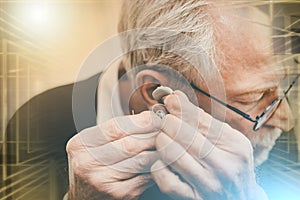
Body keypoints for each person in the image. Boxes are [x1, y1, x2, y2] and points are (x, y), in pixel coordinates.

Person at [5, 0, 296, 199]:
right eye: (255, 98)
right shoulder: (36, 128)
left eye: (284, 86)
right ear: (158, 92)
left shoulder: (280, 150)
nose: (286, 120)